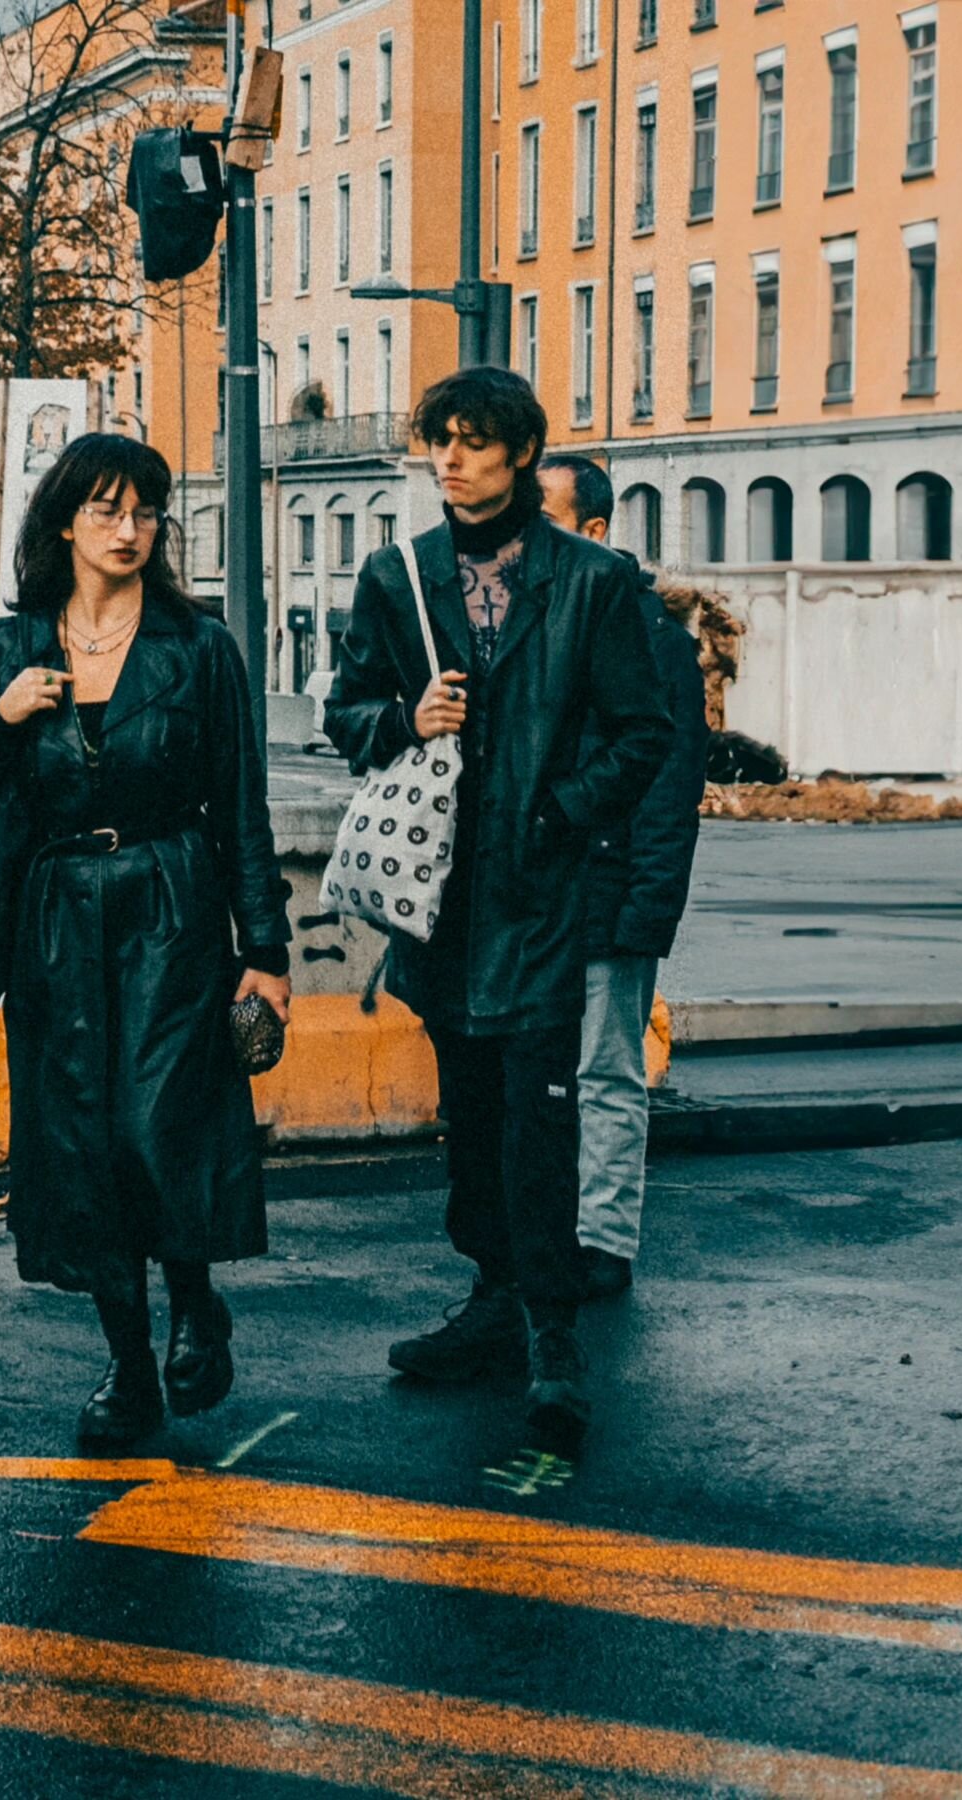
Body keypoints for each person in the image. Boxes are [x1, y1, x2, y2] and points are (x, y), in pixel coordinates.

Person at [323, 369, 672, 1436]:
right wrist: (402, 718)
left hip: (541, 900)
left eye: (474, 441)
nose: (451, 459)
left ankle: (552, 1334)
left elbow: (643, 733)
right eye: (440, 440)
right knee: (471, 1118)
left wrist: (559, 815)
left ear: (522, 453)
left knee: (539, 1116)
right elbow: (345, 713)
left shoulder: (589, 582)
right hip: (443, 899)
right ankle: (493, 1300)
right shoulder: (399, 577)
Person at [0, 434, 291, 1448]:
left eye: (144, 512)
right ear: (63, 522)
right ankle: (130, 1368)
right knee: (80, 1148)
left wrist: (264, 951)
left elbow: (241, 803)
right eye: (106, 511)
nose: (129, 530)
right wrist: (1, 721)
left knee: (155, 1128)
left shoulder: (197, 646)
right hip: (54, 922)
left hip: (170, 907)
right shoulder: (14, 646)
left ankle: (196, 1304)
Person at [538, 454, 709, 1299]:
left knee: (605, 1076)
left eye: (545, 516)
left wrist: (647, 915)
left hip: (608, 900)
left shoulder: (656, 645)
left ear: (595, 533)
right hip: (531, 903)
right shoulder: (525, 624)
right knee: (533, 1080)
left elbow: (669, 797)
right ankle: (538, 1238)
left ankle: (601, 1243)